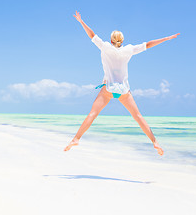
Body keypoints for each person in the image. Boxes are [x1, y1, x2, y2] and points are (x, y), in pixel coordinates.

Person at [64, 11, 180, 155]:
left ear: (111, 40)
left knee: (93, 114)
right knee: (138, 117)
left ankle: (76, 139)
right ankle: (155, 142)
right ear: (122, 40)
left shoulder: (105, 46)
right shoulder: (129, 49)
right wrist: (166, 38)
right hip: (124, 90)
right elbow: (148, 45)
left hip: (108, 89)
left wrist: (81, 22)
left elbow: (92, 35)